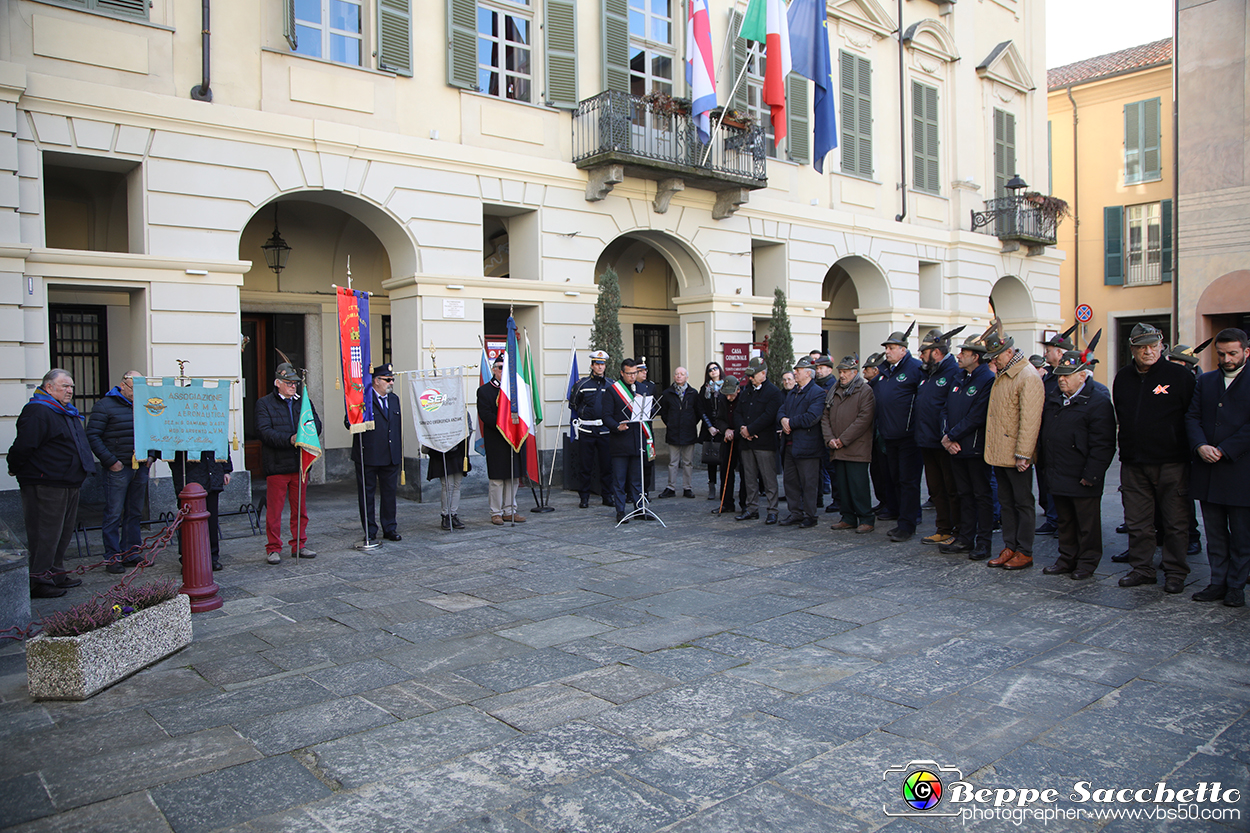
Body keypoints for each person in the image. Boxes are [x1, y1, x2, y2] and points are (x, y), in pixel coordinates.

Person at [1112, 323, 1195, 593]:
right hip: (1134, 462)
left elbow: (1191, 417)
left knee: (1175, 521)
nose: (1148, 351)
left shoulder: (1180, 376)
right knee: (1137, 521)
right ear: (1132, 349)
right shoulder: (1122, 377)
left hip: (1172, 461)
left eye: (1153, 346)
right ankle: (1142, 568)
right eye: (1142, 347)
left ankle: (1175, 571)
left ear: (1161, 346)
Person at [9, 369, 95, 598]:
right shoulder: (38, 410)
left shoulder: (65, 411)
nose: (70, 391)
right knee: (45, 533)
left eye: (72, 387)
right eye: (64, 386)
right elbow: (24, 446)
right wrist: (14, 466)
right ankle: (38, 579)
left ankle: (56, 573)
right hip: (46, 482)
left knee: (62, 533)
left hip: (68, 481)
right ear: (48, 387)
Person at [1185, 328, 1250, 607]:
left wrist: (1224, 450)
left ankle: (1236, 585)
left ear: (1246, 351)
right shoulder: (1207, 380)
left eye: (1233, 353)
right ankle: (1217, 581)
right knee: (1215, 534)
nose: (1226, 359)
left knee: (1242, 535)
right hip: (1207, 470)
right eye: (1221, 354)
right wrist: (1200, 445)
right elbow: (1192, 416)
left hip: (1240, 471)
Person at [1039, 350, 1116, 580]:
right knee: (1065, 521)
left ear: (1082, 376)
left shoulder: (1098, 401)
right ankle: (1066, 558)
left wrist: (1092, 475)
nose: (1062, 379)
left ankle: (1087, 562)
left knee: (1087, 524)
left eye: (1068, 375)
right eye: (1060, 374)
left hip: (1082, 475)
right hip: (1058, 470)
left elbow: (1104, 444)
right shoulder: (1055, 397)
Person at [983, 320, 1045, 571]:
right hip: (999, 451)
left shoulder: (1027, 376)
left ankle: (1025, 551)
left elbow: (1030, 419)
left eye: (997, 356)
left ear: (1009, 352)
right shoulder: (1003, 374)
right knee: (1007, 503)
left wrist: (1023, 454)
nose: (994, 361)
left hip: (1016, 454)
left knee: (1023, 503)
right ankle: (1010, 545)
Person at [256, 362, 322, 564]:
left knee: (300, 509)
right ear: (277, 383)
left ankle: (299, 544)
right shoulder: (264, 403)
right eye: (288, 383)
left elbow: (316, 424)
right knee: (274, 511)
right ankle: (273, 547)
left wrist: (307, 436)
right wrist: (290, 439)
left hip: (300, 465)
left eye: (294, 383)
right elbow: (264, 432)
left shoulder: (303, 402)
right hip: (277, 465)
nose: (293, 386)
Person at [87, 370, 151, 573]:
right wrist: (110, 462)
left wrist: (152, 457)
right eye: (134, 387)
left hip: (140, 466)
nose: (137, 392)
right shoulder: (104, 406)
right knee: (113, 514)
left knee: (134, 512)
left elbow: (156, 430)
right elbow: (93, 435)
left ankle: (131, 552)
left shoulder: (147, 404)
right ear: (122, 385)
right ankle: (112, 557)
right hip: (118, 467)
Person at [940, 334, 997, 560]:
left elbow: (978, 415)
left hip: (974, 448)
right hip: (955, 447)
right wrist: (947, 436)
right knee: (963, 494)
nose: (959, 355)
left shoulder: (986, 379)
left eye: (964, 352)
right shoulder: (959, 376)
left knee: (981, 495)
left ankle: (983, 542)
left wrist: (952, 435)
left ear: (976, 357)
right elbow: (945, 409)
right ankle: (965, 537)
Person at [875, 323, 924, 542]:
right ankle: (901, 517)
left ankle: (908, 524)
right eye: (886, 347)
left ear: (903, 350)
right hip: (889, 435)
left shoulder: (914, 368)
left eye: (892, 347)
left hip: (908, 436)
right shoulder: (886, 370)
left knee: (908, 481)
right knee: (895, 479)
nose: (887, 351)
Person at [915, 328, 963, 546]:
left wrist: (947, 434)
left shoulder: (953, 371)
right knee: (936, 489)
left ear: (936, 352)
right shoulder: (929, 374)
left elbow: (951, 407)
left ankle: (957, 529)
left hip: (945, 442)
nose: (921, 356)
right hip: (927, 440)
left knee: (951, 489)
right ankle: (943, 528)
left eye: (924, 352)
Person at [822, 355, 876, 533]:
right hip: (836, 447)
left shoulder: (865, 391)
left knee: (858, 485)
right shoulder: (834, 389)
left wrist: (842, 440)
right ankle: (848, 517)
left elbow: (864, 420)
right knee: (843, 485)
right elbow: (826, 417)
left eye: (845, 372)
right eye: (840, 372)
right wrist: (830, 438)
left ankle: (866, 518)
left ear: (854, 373)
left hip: (856, 447)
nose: (842, 375)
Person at [351, 363, 402, 543]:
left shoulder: (394, 399)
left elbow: (395, 428)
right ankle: (370, 529)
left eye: (392, 379)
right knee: (367, 495)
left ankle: (389, 527)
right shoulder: (362, 399)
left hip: (390, 455)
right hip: (369, 455)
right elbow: (348, 422)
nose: (391, 383)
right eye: (388, 380)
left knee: (389, 494)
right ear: (376, 381)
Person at [476, 355, 527, 525]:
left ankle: (510, 509)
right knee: (497, 479)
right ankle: (496, 512)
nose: (502, 371)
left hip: (514, 439)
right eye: (499, 367)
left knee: (512, 477)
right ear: (493, 369)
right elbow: (485, 415)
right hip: (497, 439)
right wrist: (504, 424)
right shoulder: (484, 390)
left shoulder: (516, 390)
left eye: (506, 368)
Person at [1034, 329, 1075, 537]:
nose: (1045, 355)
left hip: (1065, 440)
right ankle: (1053, 518)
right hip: (1046, 437)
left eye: (1048, 351)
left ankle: (1062, 521)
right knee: (1047, 479)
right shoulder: (1049, 377)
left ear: (1060, 353)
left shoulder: (1073, 377)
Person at [777, 357, 826, 527]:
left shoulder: (817, 392)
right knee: (790, 482)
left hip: (808, 447)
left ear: (808, 373)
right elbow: (782, 410)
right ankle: (795, 513)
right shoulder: (792, 392)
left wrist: (790, 422)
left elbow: (812, 417)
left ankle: (810, 515)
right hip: (790, 445)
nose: (795, 372)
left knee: (809, 483)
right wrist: (783, 419)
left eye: (798, 370)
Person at [734, 357, 782, 524]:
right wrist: (742, 429)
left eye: (753, 375)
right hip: (746, 442)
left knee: (768, 479)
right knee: (749, 478)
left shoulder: (774, 392)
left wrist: (750, 429)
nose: (750, 378)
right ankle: (752, 509)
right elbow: (738, 412)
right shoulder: (746, 390)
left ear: (763, 373)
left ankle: (772, 510)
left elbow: (769, 416)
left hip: (764, 442)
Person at [169, 449, 233, 571]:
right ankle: (188, 559)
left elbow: (221, 442)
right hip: (189, 474)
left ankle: (212, 557)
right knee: (188, 521)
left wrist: (226, 469)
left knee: (211, 520)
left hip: (211, 473)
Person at [570, 350, 615, 508]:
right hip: (587, 431)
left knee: (606, 466)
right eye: (597, 364)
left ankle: (607, 496)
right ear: (592, 365)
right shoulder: (582, 384)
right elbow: (574, 404)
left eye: (602, 364)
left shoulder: (612, 384)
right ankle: (584, 497)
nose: (600, 367)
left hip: (605, 431)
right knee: (585, 466)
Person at [607, 358, 647, 523]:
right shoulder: (613, 390)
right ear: (622, 373)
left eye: (635, 373)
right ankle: (621, 511)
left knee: (638, 479)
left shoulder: (642, 388)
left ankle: (640, 509)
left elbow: (646, 416)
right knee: (619, 479)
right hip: (620, 442)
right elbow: (606, 416)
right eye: (629, 373)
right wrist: (617, 426)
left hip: (637, 440)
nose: (632, 377)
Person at [657, 366, 699, 498]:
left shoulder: (693, 393)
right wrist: (670, 423)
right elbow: (663, 412)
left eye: (682, 374)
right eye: (677, 374)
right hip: (673, 432)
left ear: (687, 377)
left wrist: (691, 422)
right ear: (674, 377)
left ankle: (687, 487)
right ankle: (671, 487)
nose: (679, 376)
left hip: (689, 432)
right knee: (673, 462)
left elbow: (698, 412)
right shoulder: (667, 393)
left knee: (688, 462)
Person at [425, 428, 472, 531]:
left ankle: (453, 514)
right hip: (443, 452)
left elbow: (468, 429)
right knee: (447, 485)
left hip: (459, 451)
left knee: (456, 485)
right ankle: (445, 515)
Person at [710, 374, 740, 514]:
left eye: (731, 394)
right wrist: (726, 429)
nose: (729, 397)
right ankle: (726, 502)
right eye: (726, 394)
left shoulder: (743, 399)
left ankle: (745, 504)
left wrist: (736, 431)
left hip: (741, 438)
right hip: (727, 438)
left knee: (745, 471)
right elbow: (719, 419)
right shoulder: (722, 399)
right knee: (725, 471)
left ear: (737, 390)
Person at [698, 362, 726, 501]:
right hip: (709, 427)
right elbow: (701, 409)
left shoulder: (726, 386)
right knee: (711, 458)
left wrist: (723, 427)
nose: (713, 371)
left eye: (715, 368)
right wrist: (709, 426)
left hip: (723, 427)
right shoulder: (704, 388)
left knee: (723, 458)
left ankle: (724, 487)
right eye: (710, 370)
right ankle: (712, 486)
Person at [635, 359, 657, 497]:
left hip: (647, 430)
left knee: (648, 462)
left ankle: (646, 491)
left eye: (645, 370)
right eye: (641, 371)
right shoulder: (629, 387)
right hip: (634, 431)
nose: (644, 373)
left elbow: (655, 407)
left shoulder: (650, 386)